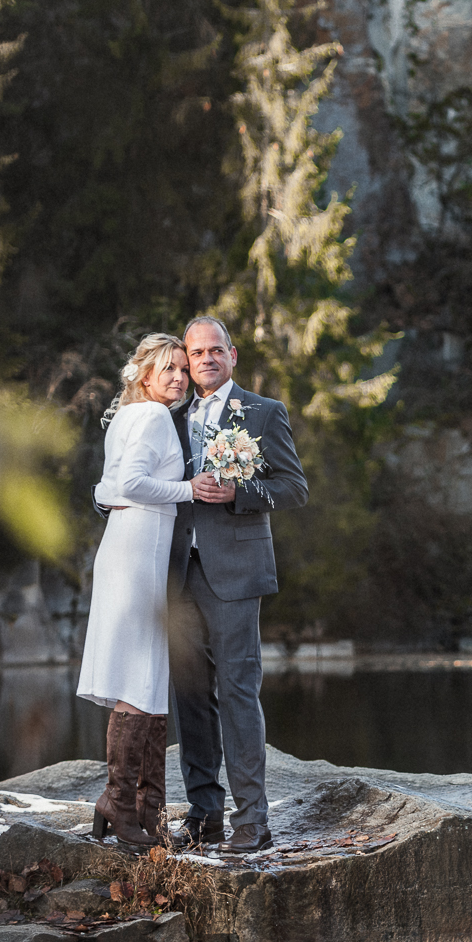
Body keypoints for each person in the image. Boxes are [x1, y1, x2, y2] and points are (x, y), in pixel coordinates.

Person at [167, 316, 307, 853]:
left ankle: (253, 821)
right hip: (178, 572)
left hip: (235, 573)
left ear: (232, 354)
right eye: (195, 351)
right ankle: (205, 816)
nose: (205, 359)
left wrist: (241, 494)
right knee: (191, 698)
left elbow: (293, 487)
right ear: (186, 357)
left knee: (240, 693)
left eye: (214, 350)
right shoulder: (171, 416)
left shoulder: (264, 413)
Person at [76, 333, 191, 847]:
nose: (178, 377)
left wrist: (122, 499)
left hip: (130, 544)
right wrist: (191, 489)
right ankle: (120, 803)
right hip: (138, 548)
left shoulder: (125, 416)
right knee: (138, 682)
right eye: (167, 368)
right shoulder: (151, 417)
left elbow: (106, 488)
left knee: (146, 677)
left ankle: (147, 808)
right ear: (145, 375)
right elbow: (134, 484)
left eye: (182, 370)